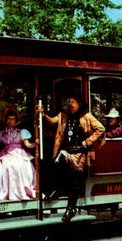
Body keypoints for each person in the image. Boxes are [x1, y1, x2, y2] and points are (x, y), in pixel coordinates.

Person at [38, 94, 105, 222]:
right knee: (56, 164)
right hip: (66, 150)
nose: (70, 105)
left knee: (75, 182)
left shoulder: (86, 117)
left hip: (79, 153)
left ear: (79, 104)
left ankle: (71, 209)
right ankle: (57, 189)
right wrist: (42, 114)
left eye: (73, 102)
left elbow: (100, 129)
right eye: (69, 103)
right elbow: (51, 121)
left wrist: (87, 142)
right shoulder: (63, 115)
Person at [0, 107, 37, 201]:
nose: (10, 121)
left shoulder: (21, 132)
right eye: (9, 119)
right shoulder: (1, 133)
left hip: (20, 153)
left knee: (22, 165)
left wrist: (36, 143)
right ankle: (9, 193)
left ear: (16, 120)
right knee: (7, 166)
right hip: (6, 154)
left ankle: (23, 192)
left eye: (12, 119)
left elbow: (27, 144)